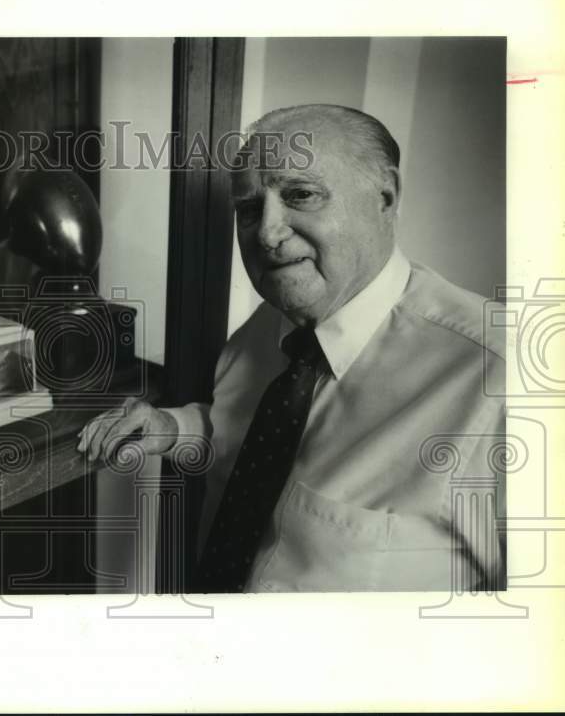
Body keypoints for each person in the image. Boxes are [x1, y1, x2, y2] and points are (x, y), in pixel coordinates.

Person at [77, 104, 506, 592]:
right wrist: (174, 428)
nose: (266, 233)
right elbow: (251, 436)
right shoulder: (270, 328)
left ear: (385, 196)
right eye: (249, 209)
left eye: (300, 194)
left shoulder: (501, 380)